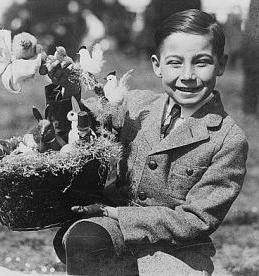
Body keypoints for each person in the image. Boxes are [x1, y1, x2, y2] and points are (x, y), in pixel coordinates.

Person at [50, 9, 248, 275]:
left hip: (176, 251)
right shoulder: (133, 104)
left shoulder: (228, 138)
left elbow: (196, 219)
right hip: (113, 234)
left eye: (201, 62)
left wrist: (114, 213)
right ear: (157, 65)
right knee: (85, 238)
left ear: (221, 64)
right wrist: (69, 91)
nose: (187, 75)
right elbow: (80, 128)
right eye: (175, 63)